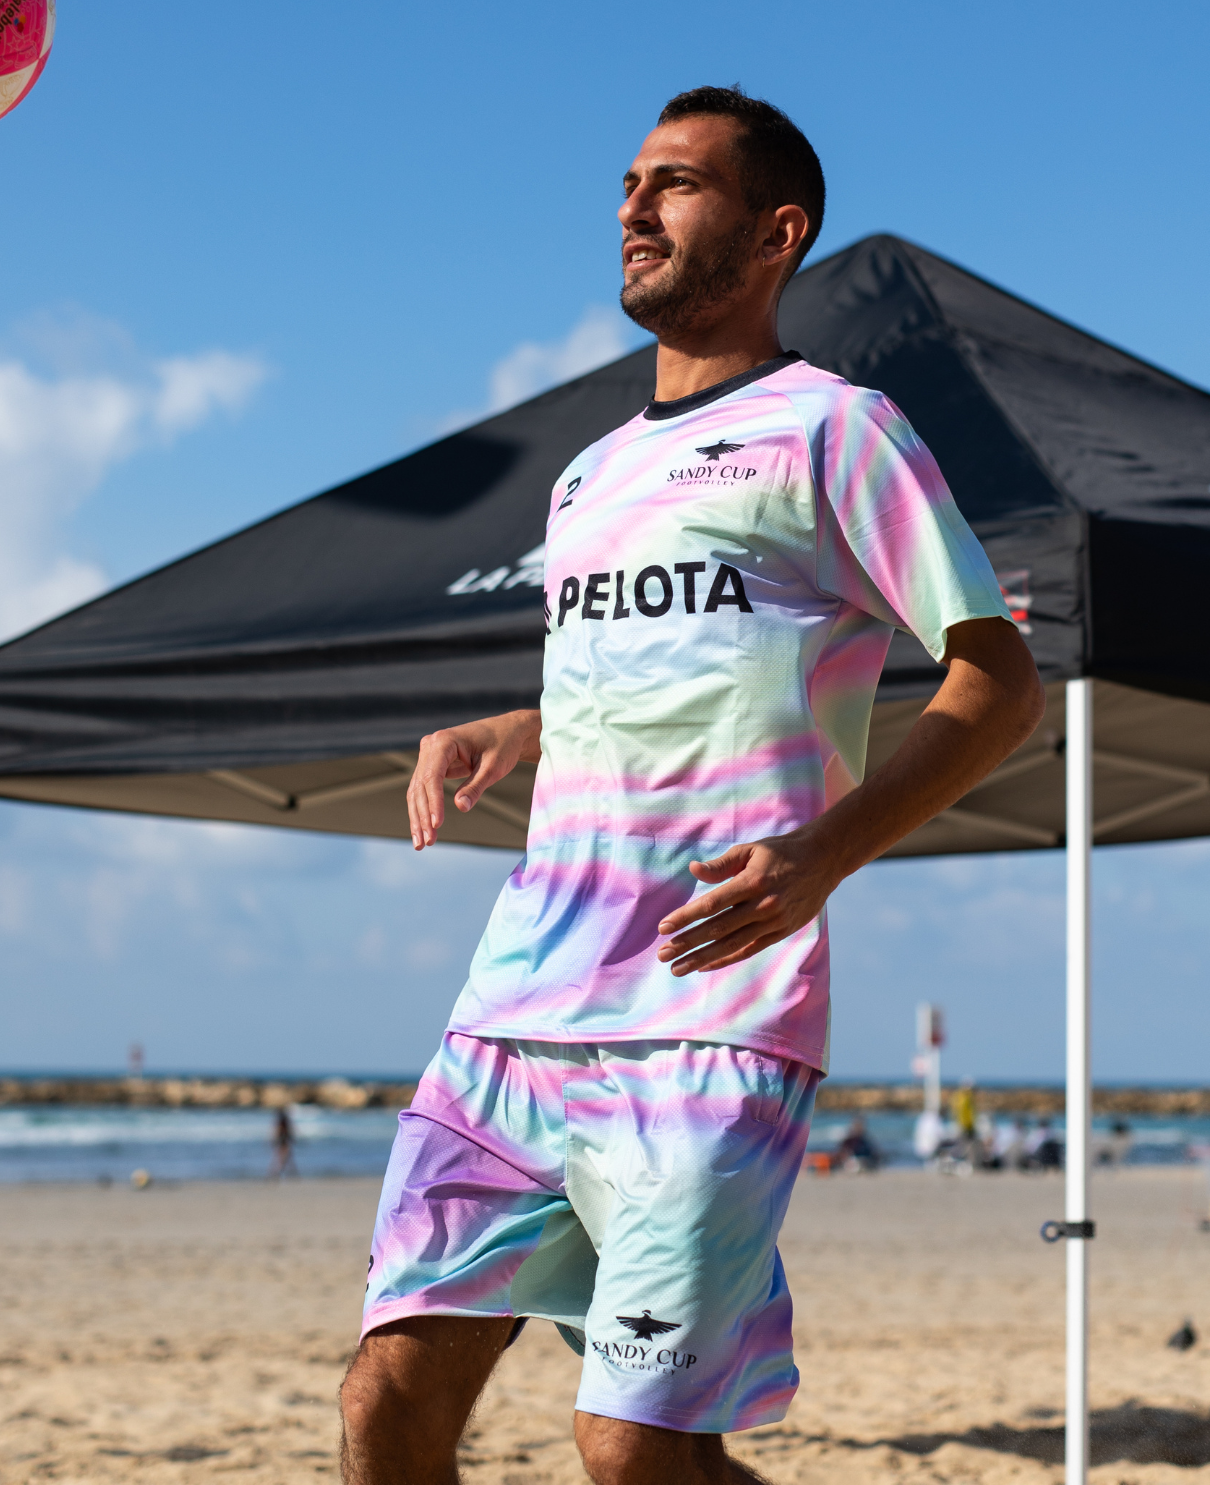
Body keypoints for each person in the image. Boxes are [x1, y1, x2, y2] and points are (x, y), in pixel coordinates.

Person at [340, 85, 1045, 1485]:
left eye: (675, 182)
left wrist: (823, 854)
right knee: (384, 1405)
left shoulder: (836, 428)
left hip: (708, 1016)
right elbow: (665, 675)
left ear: (777, 233)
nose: (633, 206)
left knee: (632, 1454)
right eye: (629, 182)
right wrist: (522, 725)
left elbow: (998, 682)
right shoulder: (587, 477)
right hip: (515, 1010)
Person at [269, 1106, 299, 1178]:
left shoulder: (281, 1122)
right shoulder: (284, 1122)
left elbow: (277, 1132)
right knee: (285, 1158)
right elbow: (285, 1132)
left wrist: (274, 1140)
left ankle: (276, 1173)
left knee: (283, 1158)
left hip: (282, 1140)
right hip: (283, 1141)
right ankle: (277, 1172)